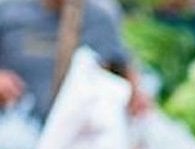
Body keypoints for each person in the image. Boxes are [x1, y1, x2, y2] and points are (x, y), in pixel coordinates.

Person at [0, 0, 147, 121]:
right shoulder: (9, 10)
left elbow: (122, 66)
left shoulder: (100, 17)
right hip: (17, 118)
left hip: (77, 126)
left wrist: (135, 96)